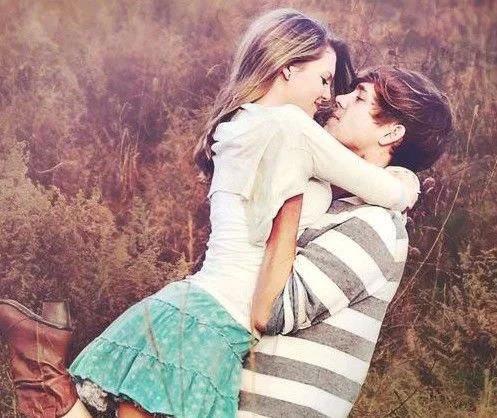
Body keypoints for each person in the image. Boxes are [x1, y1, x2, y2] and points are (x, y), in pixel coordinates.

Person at [0, 9, 421, 418]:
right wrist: (407, 181)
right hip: (218, 318)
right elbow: (385, 189)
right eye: (325, 80)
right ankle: (43, 377)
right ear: (288, 68)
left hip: (194, 307)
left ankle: (43, 372)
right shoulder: (292, 130)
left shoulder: (239, 126)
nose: (330, 97)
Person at [238, 66, 453, 417]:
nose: (339, 98)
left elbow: (271, 310)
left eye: (360, 97)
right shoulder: (329, 203)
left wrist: (291, 181)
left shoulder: (377, 225)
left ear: (392, 133)